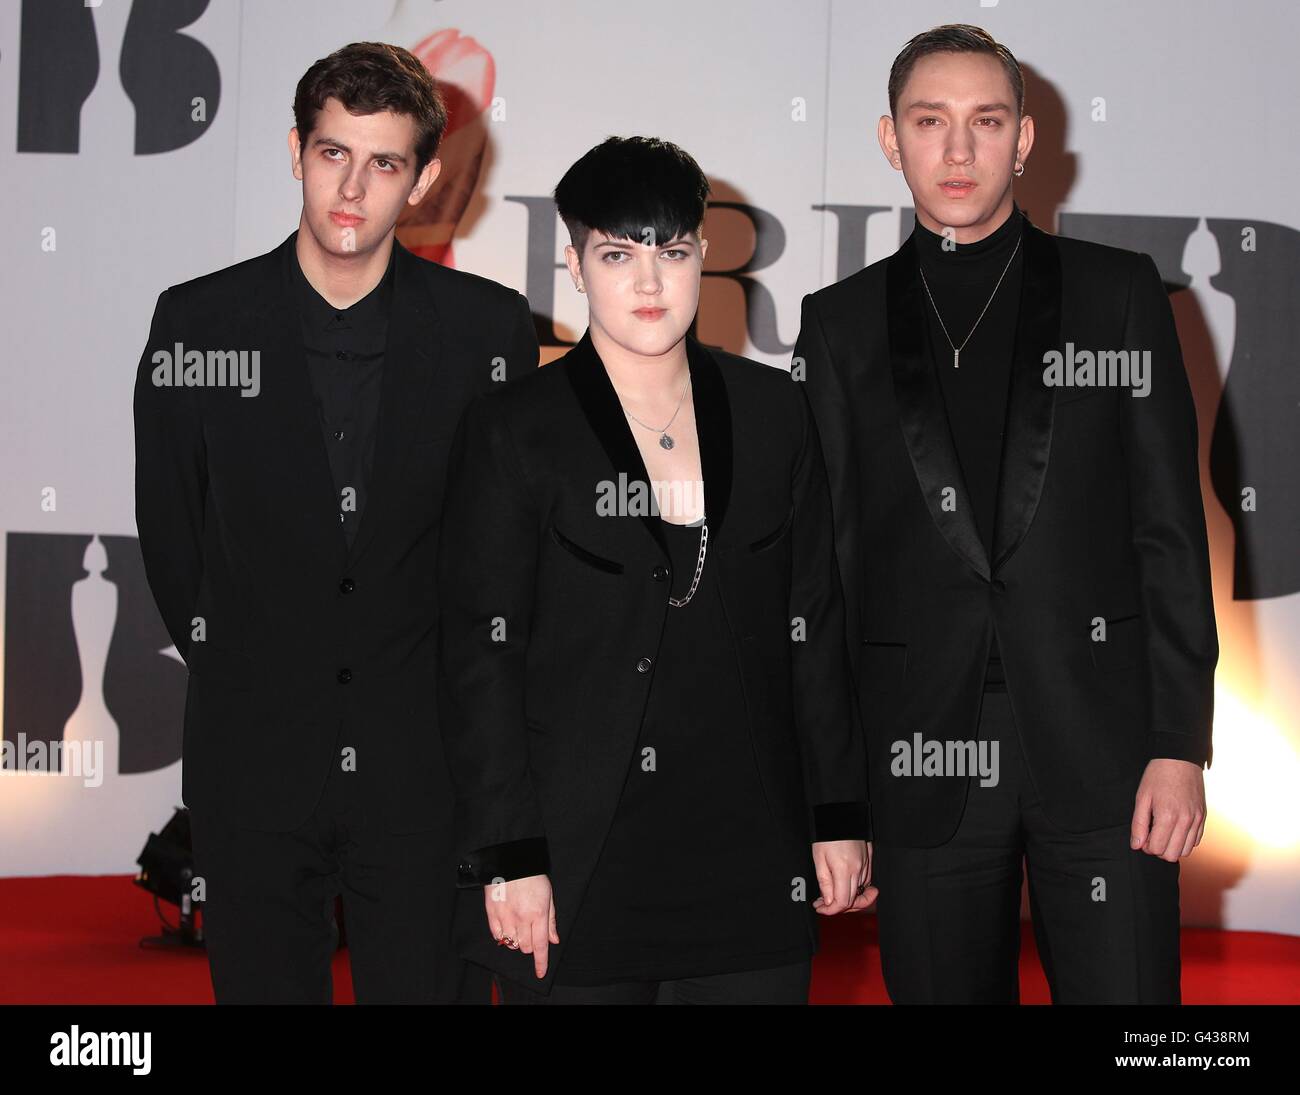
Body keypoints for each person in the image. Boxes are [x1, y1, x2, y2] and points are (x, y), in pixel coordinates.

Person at [795, 24, 1218, 1003]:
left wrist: (1177, 742)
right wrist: (835, 794)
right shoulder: (840, 324)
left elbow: (1168, 528)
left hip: (1107, 750)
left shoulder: (1117, 296)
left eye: (985, 123)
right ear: (887, 139)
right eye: (928, 122)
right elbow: (825, 572)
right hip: (918, 750)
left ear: (1024, 140)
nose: (955, 150)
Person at [132, 41, 538, 1003]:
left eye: (384, 162)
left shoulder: (487, 329)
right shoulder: (197, 324)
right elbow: (172, 537)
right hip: (253, 757)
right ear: (295, 150)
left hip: (425, 768)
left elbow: (498, 549)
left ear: (426, 178)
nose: (352, 189)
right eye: (333, 154)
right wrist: (252, 673)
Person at [436, 136, 873, 1004]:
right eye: (616, 253)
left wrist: (838, 816)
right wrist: (511, 855)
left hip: (750, 853)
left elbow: (816, 625)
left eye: (670, 252)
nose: (646, 282)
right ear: (573, 261)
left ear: (704, 256)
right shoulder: (516, 427)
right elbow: (481, 658)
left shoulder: (773, 412)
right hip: (576, 861)